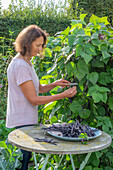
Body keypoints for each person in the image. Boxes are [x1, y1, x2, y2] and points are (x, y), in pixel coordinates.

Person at [6, 25, 77, 170]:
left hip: (25, 120)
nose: (40, 49)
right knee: (23, 161)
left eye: (42, 45)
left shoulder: (26, 62)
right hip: (22, 122)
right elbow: (34, 99)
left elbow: (37, 88)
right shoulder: (20, 66)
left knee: (26, 158)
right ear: (27, 43)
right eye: (38, 45)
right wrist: (62, 96)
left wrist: (55, 84)